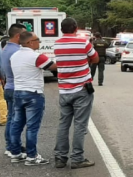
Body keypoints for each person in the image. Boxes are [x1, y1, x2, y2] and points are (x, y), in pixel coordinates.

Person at [53, 17, 100, 169]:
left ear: (61, 30)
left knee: (63, 124)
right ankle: (77, 158)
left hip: (64, 90)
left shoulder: (57, 44)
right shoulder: (83, 42)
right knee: (80, 125)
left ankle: (60, 158)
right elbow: (96, 58)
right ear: (75, 28)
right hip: (81, 89)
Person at [7, 31, 57, 165]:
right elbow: (53, 67)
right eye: (37, 40)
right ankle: (32, 156)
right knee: (32, 127)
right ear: (29, 42)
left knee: (16, 125)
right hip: (33, 94)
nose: (39, 42)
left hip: (18, 92)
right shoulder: (37, 57)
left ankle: (15, 153)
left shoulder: (14, 56)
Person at [1, 23, 26, 154]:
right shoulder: (16, 51)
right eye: (23, 34)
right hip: (16, 87)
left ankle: (10, 144)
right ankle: (14, 147)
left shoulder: (5, 48)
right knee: (16, 120)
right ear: (17, 36)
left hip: (9, 86)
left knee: (11, 117)